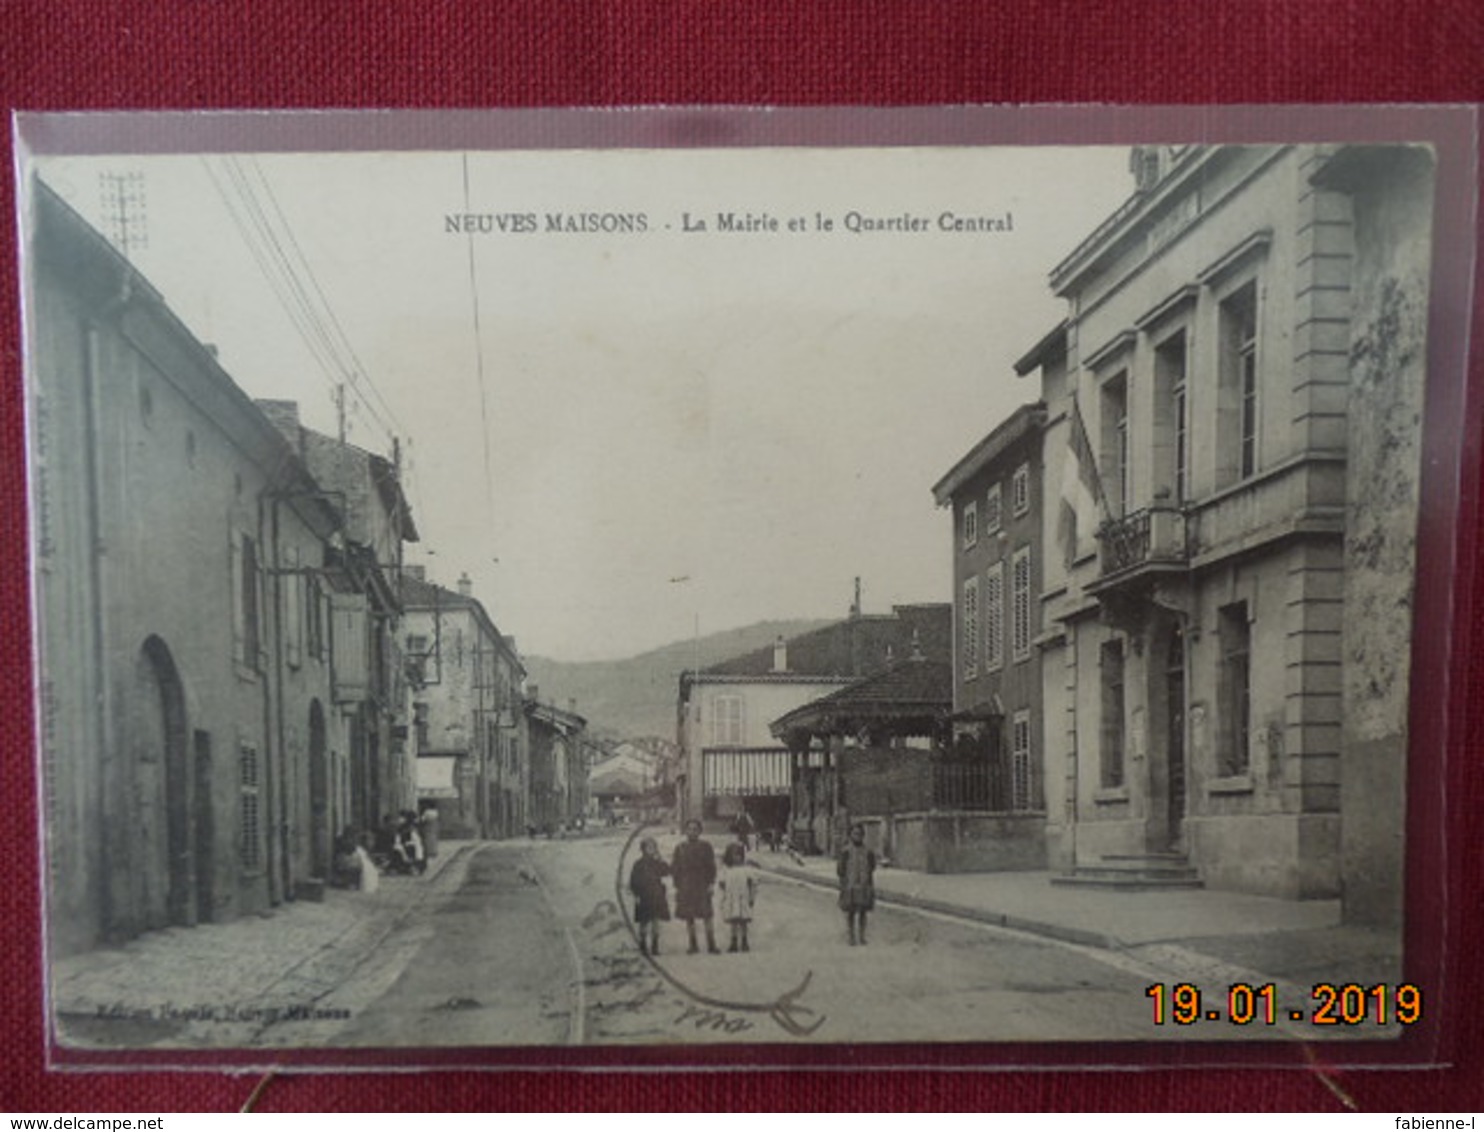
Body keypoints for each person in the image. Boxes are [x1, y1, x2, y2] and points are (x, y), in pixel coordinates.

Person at [671, 819, 720, 954]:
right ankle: (693, 944)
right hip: (687, 886)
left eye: (695, 829)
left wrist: (711, 884)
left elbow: (711, 867)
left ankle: (711, 944)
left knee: (707, 915)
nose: (692, 832)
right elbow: (675, 868)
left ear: (700, 831)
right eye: (690, 829)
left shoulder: (706, 846)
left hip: (702, 884)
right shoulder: (680, 848)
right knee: (689, 916)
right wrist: (678, 886)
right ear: (685, 831)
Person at [628, 837, 671, 956]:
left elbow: (667, 871)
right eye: (648, 847)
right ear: (643, 849)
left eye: (653, 847)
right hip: (643, 895)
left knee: (656, 921)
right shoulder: (638, 864)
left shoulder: (657, 863)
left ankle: (655, 946)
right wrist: (636, 895)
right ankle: (642, 945)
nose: (651, 850)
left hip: (656, 894)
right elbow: (633, 881)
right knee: (643, 921)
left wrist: (661, 860)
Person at [837, 823, 877, 946]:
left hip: (864, 884)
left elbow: (872, 866)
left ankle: (862, 936)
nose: (857, 836)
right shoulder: (846, 851)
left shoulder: (868, 851)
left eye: (859, 834)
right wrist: (844, 883)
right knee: (851, 912)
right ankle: (851, 936)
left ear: (863, 835)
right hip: (850, 885)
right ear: (850, 835)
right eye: (854, 834)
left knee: (863, 911)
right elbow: (840, 869)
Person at [717, 841, 758, 953]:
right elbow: (722, 884)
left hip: (743, 898)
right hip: (731, 898)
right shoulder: (726, 870)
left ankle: (744, 941)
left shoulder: (746, 870)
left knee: (743, 921)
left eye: (739, 855)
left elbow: (753, 884)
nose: (737, 858)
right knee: (734, 921)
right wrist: (724, 897)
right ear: (729, 856)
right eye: (734, 855)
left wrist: (751, 897)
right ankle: (733, 942)